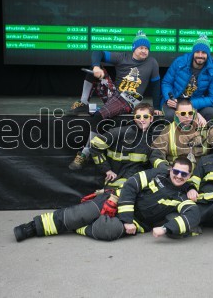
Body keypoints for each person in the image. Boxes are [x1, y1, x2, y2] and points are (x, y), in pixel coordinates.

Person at [13, 157, 201, 242]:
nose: (178, 176)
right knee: (82, 213)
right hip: (118, 201)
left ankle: (78, 224)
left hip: (137, 222)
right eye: (176, 171)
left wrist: (166, 229)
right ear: (170, 169)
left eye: (183, 174)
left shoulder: (185, 195)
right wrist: (126, 218)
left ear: (189, 175)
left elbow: (192, 216)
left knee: (107, 231)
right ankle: (32, 227)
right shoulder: (158, 174)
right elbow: (130, 186)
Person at [68, 30, 163, 170]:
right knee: (94, 69)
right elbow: (97, 52)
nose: (144, 51)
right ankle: (84, 102)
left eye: (147, 49)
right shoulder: (122, 57)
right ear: (134, 48)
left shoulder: (152, 63)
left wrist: (157, 107)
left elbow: (156, 86)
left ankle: (85, 152)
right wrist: (95, 67)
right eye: (141, 48)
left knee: (98, 116)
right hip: (114, 95)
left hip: (129, 100)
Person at [88, 102, 157, 190]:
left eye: (146, 116)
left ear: (151, 119)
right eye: (138, 117)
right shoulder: (118, 132)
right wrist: (107, 170)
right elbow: (95, 146)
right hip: (114, 186)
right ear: (135, 119)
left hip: (138, 186)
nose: (142, 120)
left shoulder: (154, 139)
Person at [161, 34, 213, 123]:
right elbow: (166, 83)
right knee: (170, 115)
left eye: (204, 52)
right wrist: (169, 98)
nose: (200, 55)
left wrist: (191, 105)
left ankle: (202, 136)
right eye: (197, 52)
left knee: (210, 113)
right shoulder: (180, 62)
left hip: (195, 102)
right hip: (176, 100)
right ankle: (172, 136)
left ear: (208, 54)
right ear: (193, 52)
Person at [149, 98, 213, 169]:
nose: (187, 116)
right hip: (178, 173)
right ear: (176, 114)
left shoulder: (205, 127)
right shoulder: (168, 131)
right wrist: (167, 169)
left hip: (201, 171)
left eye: (190, 113)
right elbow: (156, 155)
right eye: (183, 113)